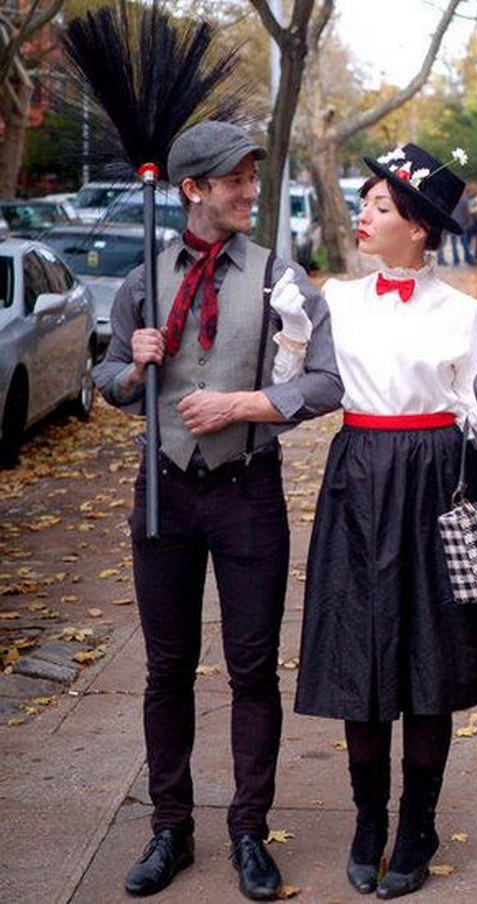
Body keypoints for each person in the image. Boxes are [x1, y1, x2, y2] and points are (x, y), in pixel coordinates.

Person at [93, 119, 343, 901]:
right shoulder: (145, 278)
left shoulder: (283, 279)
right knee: (166, 669)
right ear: (192, 189)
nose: (249, 191)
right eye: (233, 179)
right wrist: (132, 373)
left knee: (252, 670)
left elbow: (328, 381)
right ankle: (171, 828)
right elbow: (105, 380)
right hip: (163, 493)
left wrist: (250, 401)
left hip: (247, 494)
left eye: (251, 176)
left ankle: (248, 831)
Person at [294, 143, 477, 899]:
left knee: (429, 660)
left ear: (417, 228)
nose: (363, 216)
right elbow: (296, 382)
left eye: (378, 206)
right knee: (361, 654)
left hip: (436, 482)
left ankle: (418, 824)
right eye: (366, 204)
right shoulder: (334, 299)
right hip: (359, 479)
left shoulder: (469, 316)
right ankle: (368, 821)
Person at [449, 192, 475, 264]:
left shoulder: (451, 200)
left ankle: (456, 260)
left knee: (454, 244)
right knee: (464, 243)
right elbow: (467, 213)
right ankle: (467, 258)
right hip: (462, 224)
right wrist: (470, 222)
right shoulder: (464, 200)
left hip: (452, 224)